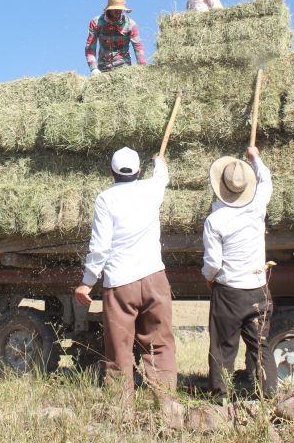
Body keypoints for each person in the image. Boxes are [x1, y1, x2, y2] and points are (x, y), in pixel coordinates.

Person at [74, 147, 177, 398]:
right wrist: (159, 162)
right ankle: (164, 402)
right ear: (139, 171)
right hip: (155, 278)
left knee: (120, 347)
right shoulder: (151, 189)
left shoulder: (105, 199)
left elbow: (100, 247)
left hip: (121, 284)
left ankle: (122, 407)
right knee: (160, 342)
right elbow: (162, 176)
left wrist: (87, 282)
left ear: (112, 172)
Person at [202, 146, 278, 400]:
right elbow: (266, 180)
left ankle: (220, 397)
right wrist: (256, 157)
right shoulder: (257, 206)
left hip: (229, 293)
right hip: (257, 288)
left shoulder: (215, 220)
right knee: (260, 346)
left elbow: (213, 262)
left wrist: (208, 277)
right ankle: (268, 396)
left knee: (223, 347)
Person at [85, 0, 146, 76]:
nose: (118, 11)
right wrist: (93, 68)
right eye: (115, 9)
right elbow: (90, 47)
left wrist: (142, 68)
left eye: (120, 9)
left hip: (124, 69)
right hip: (104, 69)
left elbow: (138, 47)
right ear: (109, 9)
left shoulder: (131, 25)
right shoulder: (96, 23)